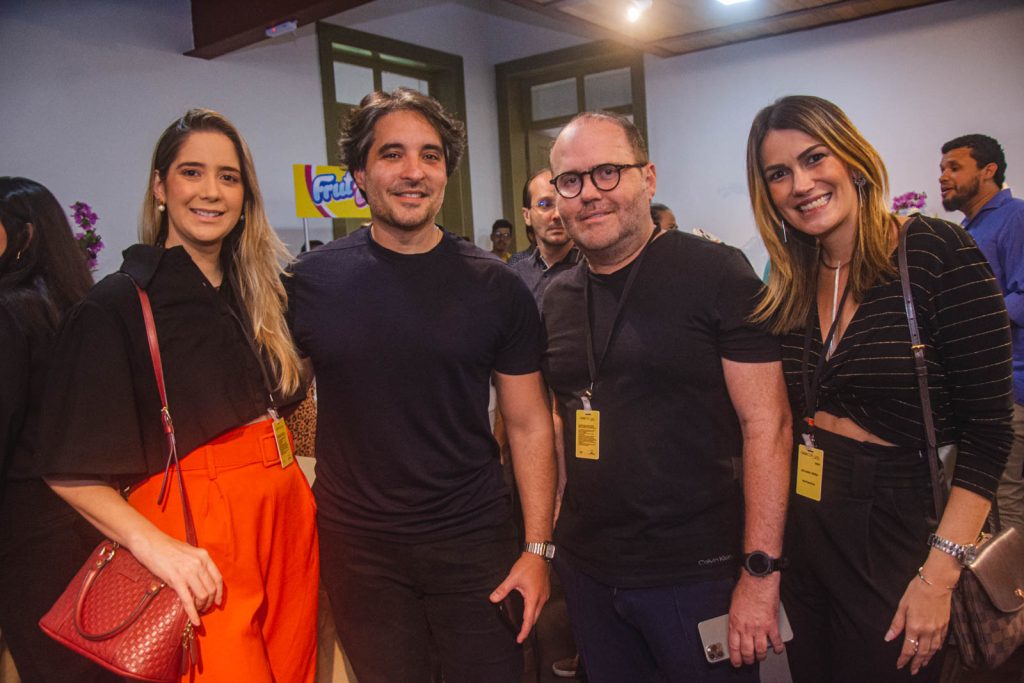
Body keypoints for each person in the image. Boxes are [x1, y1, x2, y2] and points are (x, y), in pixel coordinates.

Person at [285, 88, 556, 683]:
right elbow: (277, 393)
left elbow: (529, 422)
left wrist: (537, 551)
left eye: (431, 156)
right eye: (393, 154)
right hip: (359, 551)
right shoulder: (308, 282)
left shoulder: (495, 287)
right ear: (360, 172)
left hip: (473, 540)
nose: (414, 172)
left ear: (446, 173)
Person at [39, 109, 319, 682]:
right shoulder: (116, 305)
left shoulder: (261, 294)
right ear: (160, 186)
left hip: (286, 515)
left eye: (229, 176)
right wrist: (155, 549)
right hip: (197, 532)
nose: (211, 192)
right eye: (192, 172)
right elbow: (67, 469)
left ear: (246, 195)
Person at [747, 95, 1012, 682]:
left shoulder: (936, 252)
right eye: (779, 174)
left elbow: (989, 433)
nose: (801, 184)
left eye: (815, 158)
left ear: (854, 160)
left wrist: (937, 577)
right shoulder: (790, 276)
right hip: (808, 516)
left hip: (897, 520)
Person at [542, 110, 791, 683]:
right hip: (590, 572)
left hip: (697, 571)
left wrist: (760, 572)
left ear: (647, 178)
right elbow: (555, 425)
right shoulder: (556, 296)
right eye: (571, 180)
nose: (589, 194)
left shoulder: (716, 272)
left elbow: (768, 425)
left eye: (608, 172)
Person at [0, 177, 120, 683]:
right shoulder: (81, 310)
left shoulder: (9, 312)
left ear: (23, 236)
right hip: (89, 525)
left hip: (25, 532)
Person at [940, 134, 1024, 534]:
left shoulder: (1015, 218)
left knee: (1002, 496)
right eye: (942, 168)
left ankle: (1011, 594)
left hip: (1010, 386)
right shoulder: (968, 229)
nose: (943, 176)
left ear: (988, 171)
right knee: (963, 492)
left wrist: (970, 321)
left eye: (954, 167)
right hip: (973, 388)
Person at [511, 168, 580, 309]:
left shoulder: (595, 269)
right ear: (527, 216)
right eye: (545, 204)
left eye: (563, 203)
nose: (556, 215)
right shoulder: (517, 276)